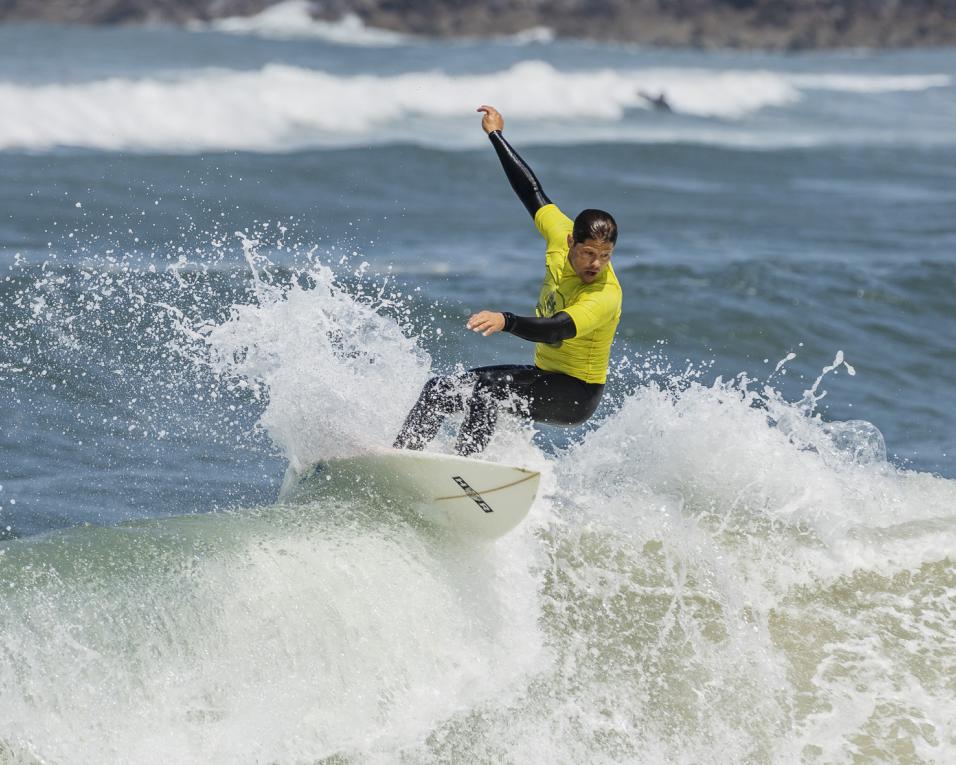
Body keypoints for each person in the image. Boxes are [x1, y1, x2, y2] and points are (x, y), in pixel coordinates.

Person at [393, 104, 622, 456]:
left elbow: (557, 329)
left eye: (605, 255)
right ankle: (402, 455)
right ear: (571, 241)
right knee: (440, 389)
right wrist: (496, 135)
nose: (596, 263)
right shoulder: (559, 234)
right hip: (545, 373)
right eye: (589, 253)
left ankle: (464, 470)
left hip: (576, 394)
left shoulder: (604, 294)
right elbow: (531, 191)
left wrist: (507, 321)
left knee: (489, 389)